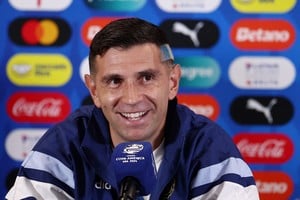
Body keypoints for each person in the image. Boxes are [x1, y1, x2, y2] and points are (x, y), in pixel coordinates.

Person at [6, 17, 260, 199]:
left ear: (172, 82)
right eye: (115, 81)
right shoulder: (64, 146)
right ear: (94, 90)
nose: (131, 98)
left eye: (147, 78)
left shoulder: (209, 149)